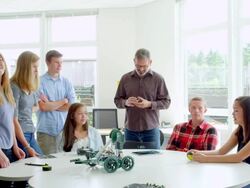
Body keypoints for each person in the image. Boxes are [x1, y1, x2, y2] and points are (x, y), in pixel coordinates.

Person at [114, 48, 171, 149]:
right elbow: (117, 100)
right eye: (138, 66)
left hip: (151, 130)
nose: (141, 69)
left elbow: (166, 102)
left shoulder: (158, 79)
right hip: (130, 130)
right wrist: (126, 102)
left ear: (150, 62)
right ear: (134, 61)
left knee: (153, 161)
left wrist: (149, 104)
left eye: (144, 66)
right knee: (130, 162)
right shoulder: (125, 78)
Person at [190, 96, 250, 165]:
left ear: (247, 112)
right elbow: (220, 152)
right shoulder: (239, 130)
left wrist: (205, 159)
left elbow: (238, 157)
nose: (232, 114)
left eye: (236, 110)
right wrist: (198, 152)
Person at [37, 50, 76, 155]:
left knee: (63, 165)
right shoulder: (39, 82)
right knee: (46, 166)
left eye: (61, 62)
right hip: (45, 132)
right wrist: (63, 101)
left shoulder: (66, 82)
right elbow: (43, 107)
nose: (60, 65)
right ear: (48, 63)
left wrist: (50, 103)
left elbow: (71, 106)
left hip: (64, 132)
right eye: (56, 62)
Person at [10, 51, 43, 157]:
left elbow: (35, 106)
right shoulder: (14, 87)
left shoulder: (31, 87)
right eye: (34, 67)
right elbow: (13, 119)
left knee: (43, 161)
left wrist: (28, 109)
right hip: (20, 136)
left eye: (37, 67)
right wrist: (26, 146)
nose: (37, 70)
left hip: (30, 132)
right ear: (25, 67)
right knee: (40, 162)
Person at [0, 53, 25, 168]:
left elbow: (10, 121)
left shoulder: (6, 91)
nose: (0, 62)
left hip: (9, 147)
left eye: (1, 60)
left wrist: (15, 146)